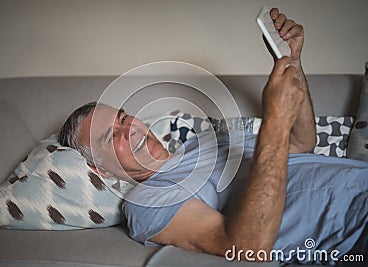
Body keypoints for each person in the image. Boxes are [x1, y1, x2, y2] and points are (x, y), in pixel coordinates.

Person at [59, 8, 368, 264]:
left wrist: (291, 62)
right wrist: (274, 119)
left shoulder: (208, 141)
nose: (130, 129)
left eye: (124, 118)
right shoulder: (146, 202)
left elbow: (302, 144)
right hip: (353, 234)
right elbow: (248, 247)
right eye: (110, 137)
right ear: (100, 169)